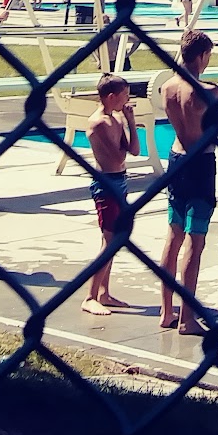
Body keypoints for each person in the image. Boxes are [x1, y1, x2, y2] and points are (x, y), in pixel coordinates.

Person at [159, 29, 218, 334]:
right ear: (201, 56)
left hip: (176, 158)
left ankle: (166, 311)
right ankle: (186, 318)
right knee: (195, 242)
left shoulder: (167, 88)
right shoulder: (209, 90)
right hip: (200, 163)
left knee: (173, 236)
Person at [83, 72, 139, 314]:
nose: (127, 100)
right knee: (109, 241)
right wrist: (122, 143)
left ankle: (104, 293)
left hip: (120, 181)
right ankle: (90, 297)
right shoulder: (98, 123)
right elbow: (116, 158)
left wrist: (130, 122)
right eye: (125, 95)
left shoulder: (116, 119)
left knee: (113, 239)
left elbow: (134, 150)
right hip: (106, 184)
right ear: (111, 96)